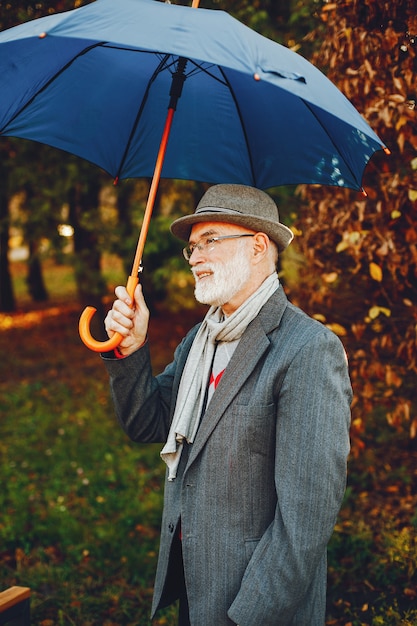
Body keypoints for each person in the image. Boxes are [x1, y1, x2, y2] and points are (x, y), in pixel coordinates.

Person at [102, 184, 352, 626]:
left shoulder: (308, 349)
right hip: (196, 588)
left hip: (256, 603)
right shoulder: (200, 341)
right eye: (193, 247)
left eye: (210, 241)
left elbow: (306, 520)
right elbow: (147, 422)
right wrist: (131, 348)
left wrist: (249, 615)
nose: (195, 257)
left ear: (258, 246)